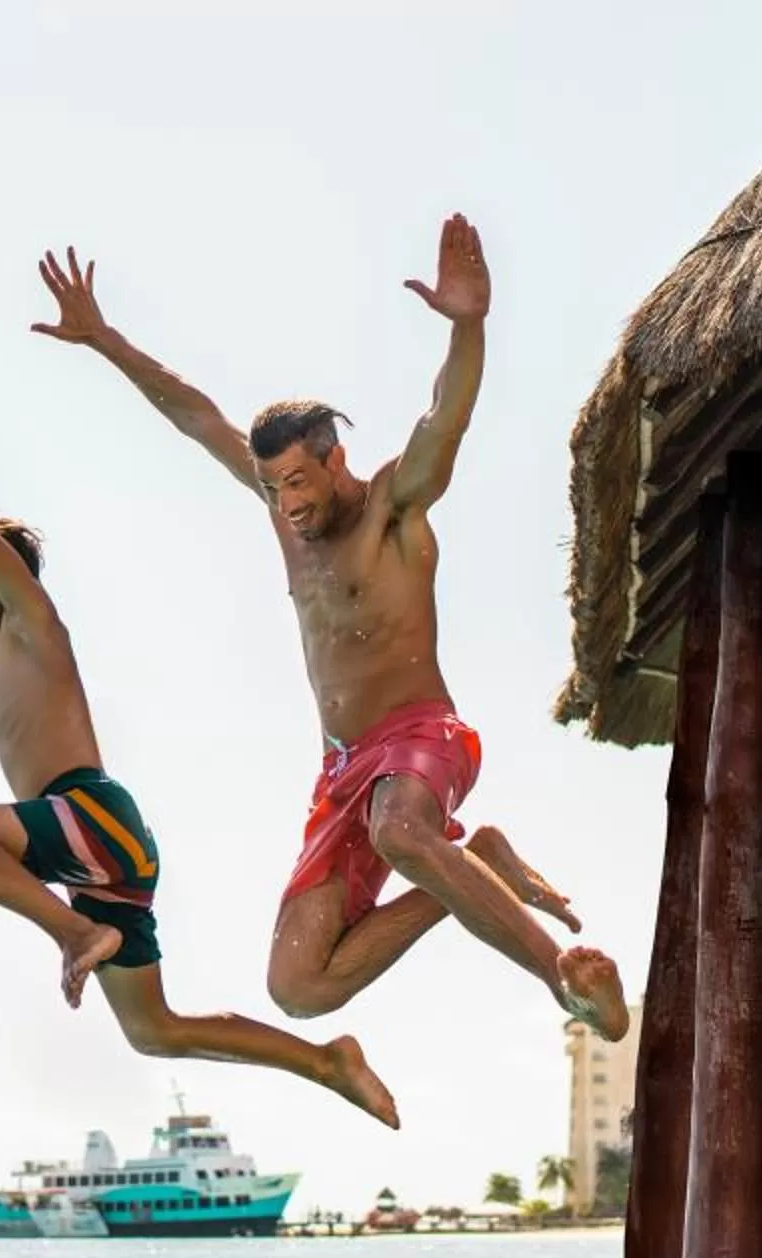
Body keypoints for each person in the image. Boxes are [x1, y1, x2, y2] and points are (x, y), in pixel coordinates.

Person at [31, 215, 630, 1041]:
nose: (290, 504)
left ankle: (562, 978)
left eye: (301, 483)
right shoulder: (283, 514)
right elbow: (192, 412)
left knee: (401, 830)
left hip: (423, 737)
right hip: (343, 768)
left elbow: (442, 421)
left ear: (335, 459)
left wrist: (468, 327)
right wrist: (104, 339)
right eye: (274, 489)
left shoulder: (393, 508)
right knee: (300, 987)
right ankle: (476, 863)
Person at [0, 375, 401, 1126]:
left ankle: (74, 933)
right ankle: (326, 1063)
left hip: (89, 816)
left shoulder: (33, 624)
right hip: (94, 851)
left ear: (2, 583)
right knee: (154, 1032)